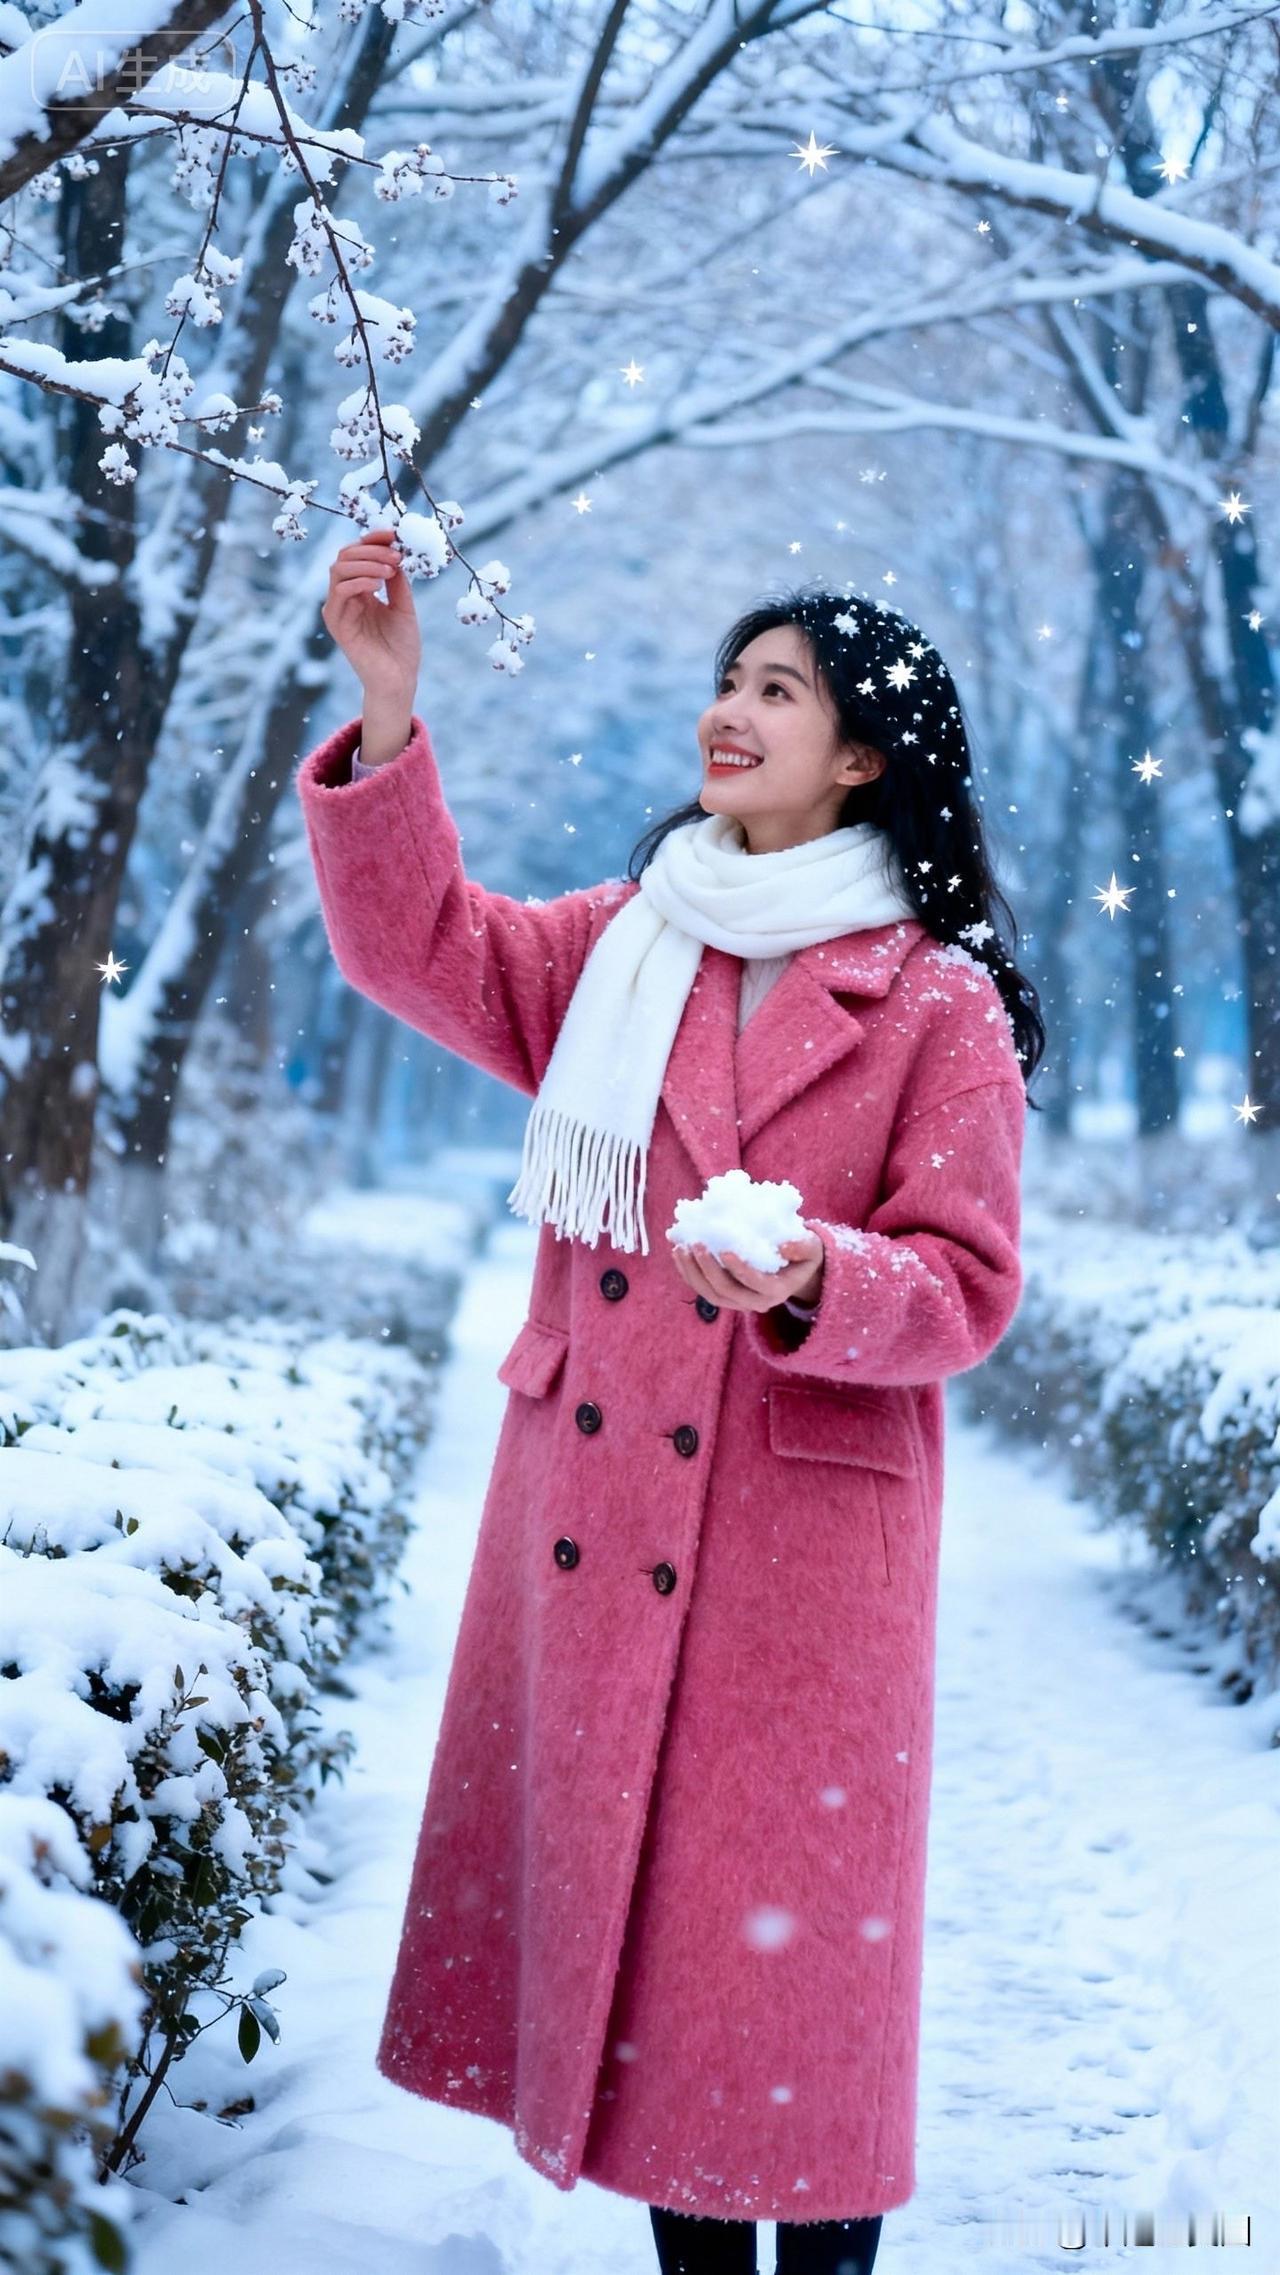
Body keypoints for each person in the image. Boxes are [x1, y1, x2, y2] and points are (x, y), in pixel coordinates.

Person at [295, 529, 1043, 2275]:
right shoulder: (627, 948)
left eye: (776, 690)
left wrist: (814, 1283)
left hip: (803, 1564)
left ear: (863, 754)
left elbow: (966, 1287)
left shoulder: (939, 1001)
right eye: (728, 679)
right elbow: (418, 946)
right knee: (656, 2014)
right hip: (600, 1524)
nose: (728, 712)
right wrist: (391, 715)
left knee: (787, 2002)